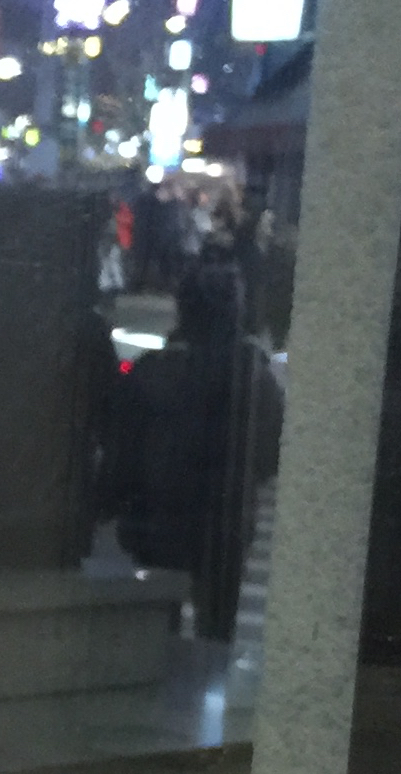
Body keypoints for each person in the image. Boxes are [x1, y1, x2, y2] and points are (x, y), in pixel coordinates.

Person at [109, 256, 284, 640]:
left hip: (159, 510)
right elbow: (270, 452)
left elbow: (123, 447)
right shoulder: (252, 376)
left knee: (156, 620)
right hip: (224, 515)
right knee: (217, 624)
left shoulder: (153, 369)